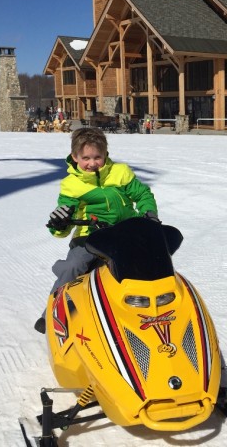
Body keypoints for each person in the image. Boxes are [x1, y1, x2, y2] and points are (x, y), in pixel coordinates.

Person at [34, 127, 159, 333]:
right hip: (90, 236)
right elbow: (65, 213)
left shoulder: (120, 173)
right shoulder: (71, 185)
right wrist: (60, 222)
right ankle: (52, 312)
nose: (92, 163)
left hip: (126, 232)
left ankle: (153, 308)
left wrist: (149, 214)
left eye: (97, 157)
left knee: (149, 263)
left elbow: (142, 195)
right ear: (75, 157)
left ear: (105, 154)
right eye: (86, 158)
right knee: (73, 266)